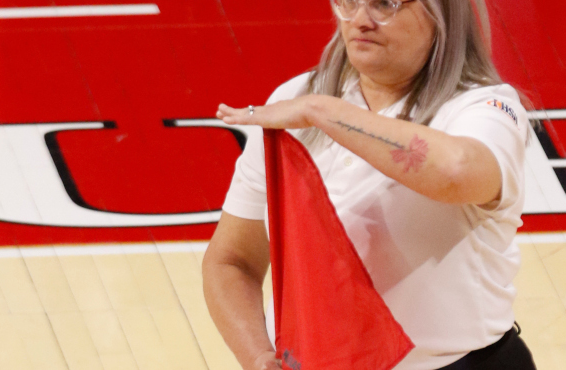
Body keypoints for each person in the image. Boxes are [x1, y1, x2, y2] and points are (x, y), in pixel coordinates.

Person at [204, 0, 535, 369]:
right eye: (350, 2)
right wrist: (257, 357)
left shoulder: (484, 107)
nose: (360, 20)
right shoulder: (294, 98)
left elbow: (457, 173)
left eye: (384, 3)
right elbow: (233, 261)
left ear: (442, 13)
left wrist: (325, 113)